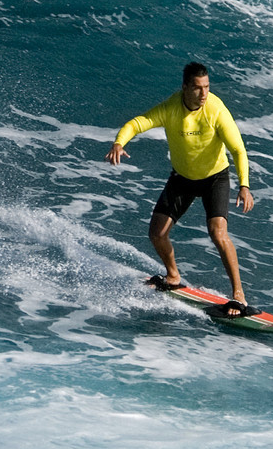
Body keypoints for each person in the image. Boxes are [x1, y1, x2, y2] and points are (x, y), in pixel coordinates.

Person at [107, 61, 254, 315]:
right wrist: (119, 143)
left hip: (215, 178)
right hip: (182, 178)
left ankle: (239, 296)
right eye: (197, 88)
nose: (204, 93)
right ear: (185, 87)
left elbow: (238, 150)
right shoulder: (171, 108)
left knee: (218, 233)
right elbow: (138, 123)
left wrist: (244, 185)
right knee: (156, 233)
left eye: (207, 87)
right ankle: (173, 275)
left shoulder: (216, 110)